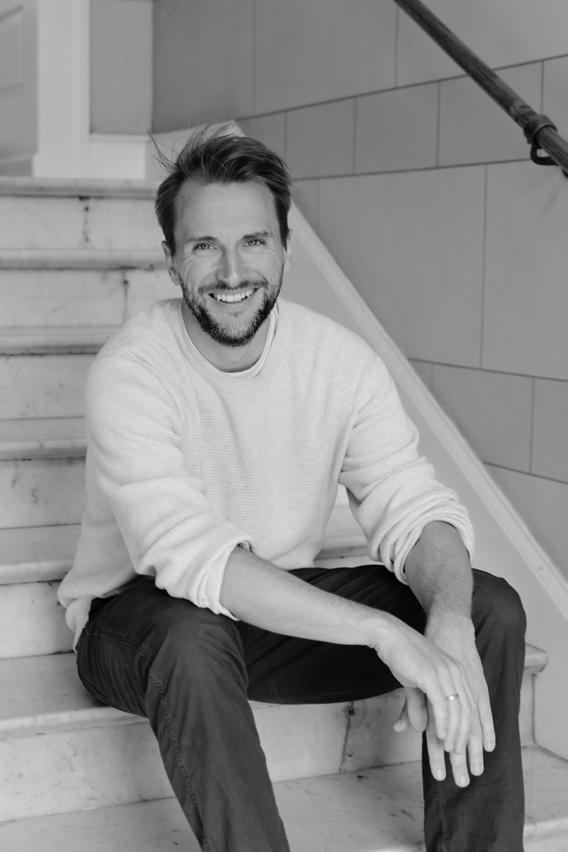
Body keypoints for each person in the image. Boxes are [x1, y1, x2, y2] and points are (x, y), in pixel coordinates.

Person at [58, 126, 526, 852]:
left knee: (484, 604)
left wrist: (448, 621)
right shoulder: (132, 372)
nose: (232, 271)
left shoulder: (339, 362)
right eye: (204, 245)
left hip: (274, 615)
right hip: (140, 623)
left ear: (284, 248)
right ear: (171, 258)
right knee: (191, 635)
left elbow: (410, 501)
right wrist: (382, 631)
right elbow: (192, 557)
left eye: (253, 241)